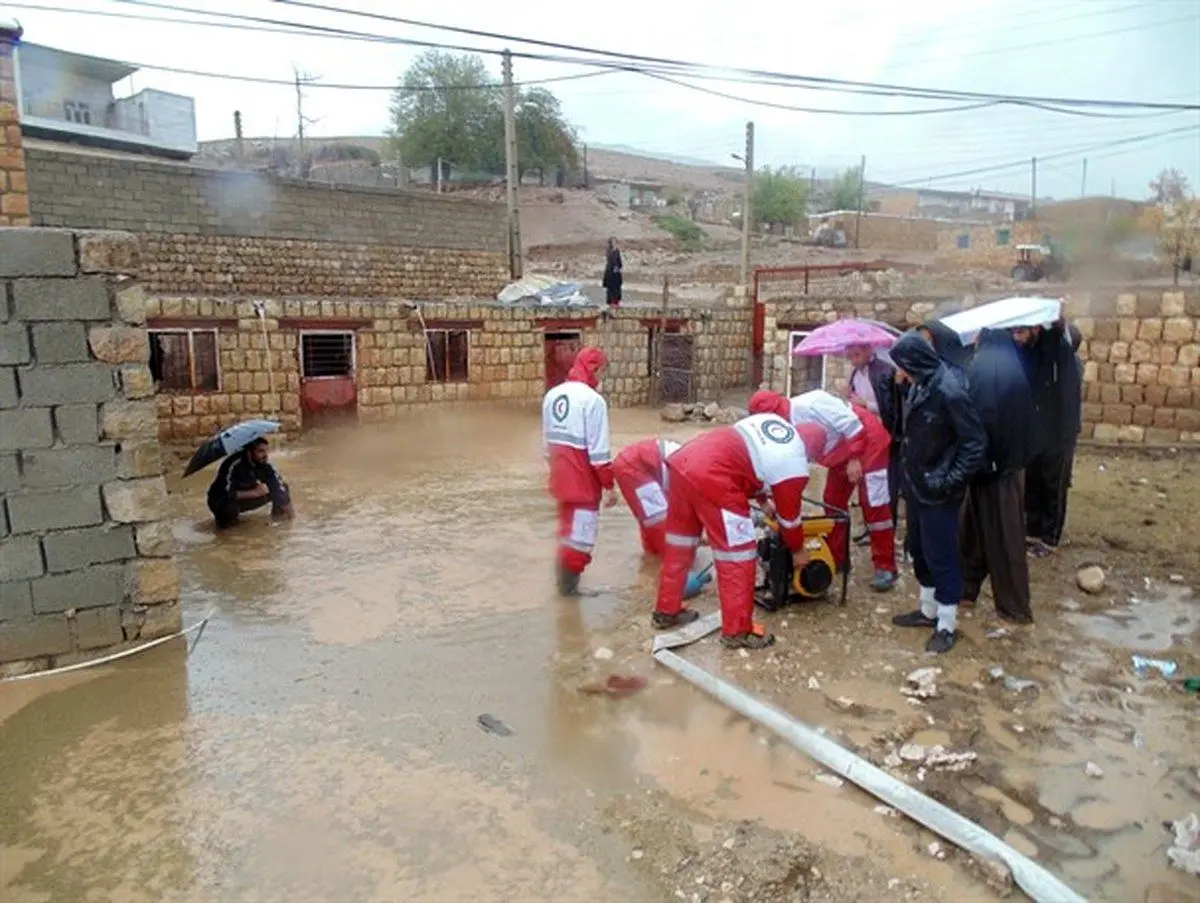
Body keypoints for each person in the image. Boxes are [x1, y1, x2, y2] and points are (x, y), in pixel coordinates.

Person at [650, 411, 812, 650]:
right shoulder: (794, 461)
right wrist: (798, 549)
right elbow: (790, 519)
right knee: (738, 555)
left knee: (680, 545)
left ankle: (666, 611)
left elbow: (746, 458)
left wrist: (764, 502)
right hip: (715, 477)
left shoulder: (771, 425)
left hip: (684, 462)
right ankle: (737, 631)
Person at [888, 331, 986, 654]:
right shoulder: (919, 385)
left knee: (941, 553)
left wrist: (948, 481)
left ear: (913, 362)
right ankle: (928, 609)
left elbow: (974, 444)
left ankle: (946, 622)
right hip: (917, 485)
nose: (897, 372)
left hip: (938, 489)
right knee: (918, 548)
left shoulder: (950, 390)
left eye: (900, 365)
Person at [748, 389, 898, 591]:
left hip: (868, 442)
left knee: (874, 505)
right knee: (832, 501)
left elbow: (852, 425)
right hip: (839, 451)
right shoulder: (781, 426)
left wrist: (855, 458)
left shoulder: (814, 403)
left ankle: (885, 567)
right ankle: (838, 559)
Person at [957, 327, 1037, 624]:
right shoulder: (1008, 360)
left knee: (1004, 536)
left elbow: (982, 415)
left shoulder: (988, 365)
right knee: (973, 532)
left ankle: (1015, 607)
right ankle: (966, 588)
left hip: (994, 466)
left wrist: (981, 460)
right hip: (1000, 463)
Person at [542, 346, 617, 597]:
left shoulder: (552, 395)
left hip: (559, 478)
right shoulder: (593, 401)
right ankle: (569, 592)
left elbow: (546, 446)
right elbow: (599, 453)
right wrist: (609, 485)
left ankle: (561, 587)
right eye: (602, 371)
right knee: (582, 537)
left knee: (566, 531)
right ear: (594, 369)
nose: (602, 377)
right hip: (584, 482)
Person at [1024, 321, 1084, 555]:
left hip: (1060, 434)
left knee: (1054, 485)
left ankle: (1050, 537)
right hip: (1040, 432)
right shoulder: (1045, 360)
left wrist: (1058, 321)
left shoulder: (1069, 364)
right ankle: (1032, 530)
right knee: (1035, 479)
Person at [846, 342, 906, 531]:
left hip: (886, 435)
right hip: (866, 434)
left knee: (886, 483)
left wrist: (866, 405)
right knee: (868, 481)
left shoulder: (885, 372)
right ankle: (871, 525)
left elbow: (893, 409)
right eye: (850, 356)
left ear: (868, 350)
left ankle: (887, 526)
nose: (853, 360)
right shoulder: (856, 374)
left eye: (856, 354)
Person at [612, 437, 682, 557]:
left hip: (634, 462)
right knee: (658, 519)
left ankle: (651, 560)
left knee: (649, 518)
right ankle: (668, 561)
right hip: (635, 465)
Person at [206, 438, 294, 529]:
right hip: (220, 500)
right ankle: (227, 534)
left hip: (244, 497)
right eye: (260, 451)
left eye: (266, 451)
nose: (266, 455)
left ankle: (278, 520)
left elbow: (278, 487)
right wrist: (255, 493)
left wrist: (292, 519)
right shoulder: (233, 465)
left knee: (283, 487)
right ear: (249, 452)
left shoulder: (264, 464)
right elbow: (225, 493)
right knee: (229, 510)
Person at [602, 238, 623, 307]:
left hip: (616, 272)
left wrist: (619, 267)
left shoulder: (617, 250)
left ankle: (617, 302)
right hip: (610, 271)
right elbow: (610, 259)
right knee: (611, 288)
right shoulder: (609, 250)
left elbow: (619, 260)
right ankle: (611, 303)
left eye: (615, 242)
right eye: (613, 242)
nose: (614, 243)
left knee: (617, 287)